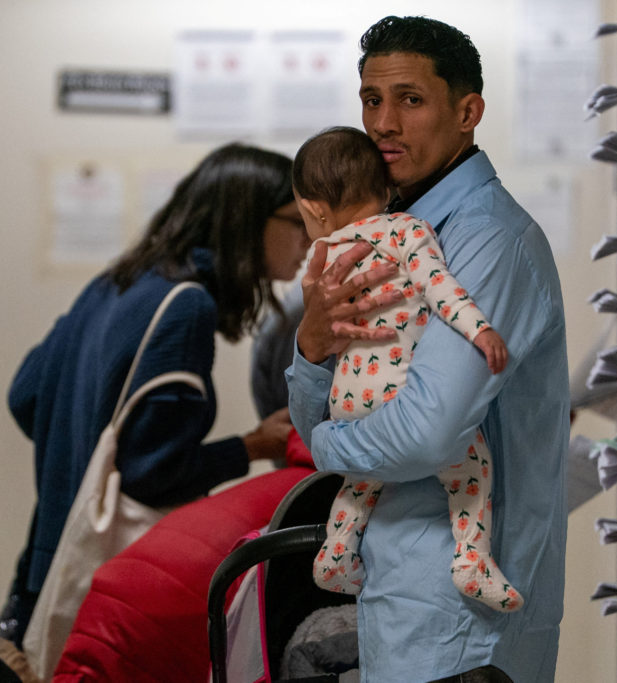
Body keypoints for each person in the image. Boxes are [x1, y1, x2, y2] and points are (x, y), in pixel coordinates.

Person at [0, 143, 398, 650]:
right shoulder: (187, 306)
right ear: (246, 220)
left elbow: (24, 396)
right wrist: (253, 445)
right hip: (103, 568)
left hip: (47, 552)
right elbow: (153, 473)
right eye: (298, 219)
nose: (311, 236)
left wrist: (76, 449)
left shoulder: (118, 281)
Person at [287, 16, 570, 683]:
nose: (383, 123)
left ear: (467, 113)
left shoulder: (486, 239)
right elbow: (326, 405)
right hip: (403, 605)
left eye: (410, 100)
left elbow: (425, 435)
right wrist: (311, 345)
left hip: (465, 629)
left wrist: (326, 444)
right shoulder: (385, 234)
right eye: (371, 100)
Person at [292, 125, 520, 613]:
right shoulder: (406, 229)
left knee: (362, 478)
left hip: (346, 398)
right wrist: (480, 329)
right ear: (387, 188)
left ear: (314, 210)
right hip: (396, 389)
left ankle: (336, 554)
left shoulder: (322, 257)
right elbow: (440, 288)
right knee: (472, 469)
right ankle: (472, 559)